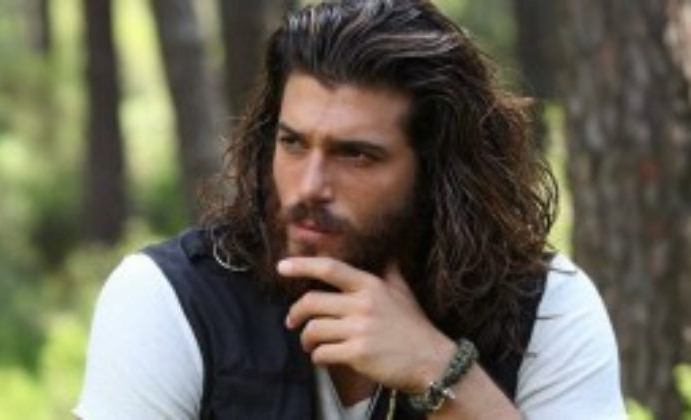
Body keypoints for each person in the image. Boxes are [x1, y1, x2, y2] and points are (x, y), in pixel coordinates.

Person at [74, 0, 627, 419]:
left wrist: (441, 374)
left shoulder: (545, 307)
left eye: (356, 155)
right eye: (293, 143)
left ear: (437, 173)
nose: (309, 186)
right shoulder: (169, 300)